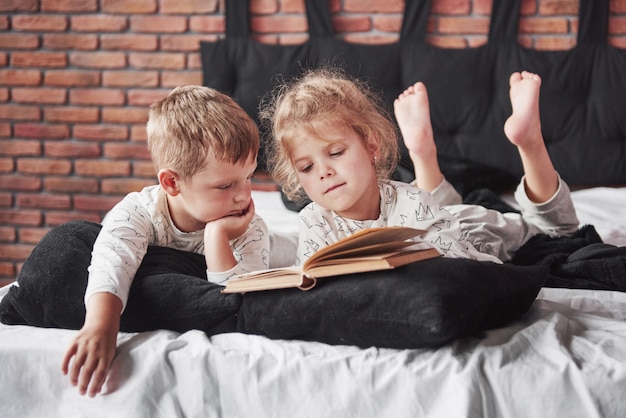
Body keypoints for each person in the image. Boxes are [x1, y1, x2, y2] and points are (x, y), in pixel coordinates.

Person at [61, 85, 270, 397]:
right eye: (225, 185)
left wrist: (217, 237)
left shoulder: (249, 226)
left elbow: (238, 306)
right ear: (172, 182)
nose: (243, 195)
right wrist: (101, 326)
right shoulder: (139, 212)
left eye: (249, 177)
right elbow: (113, 259)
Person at [261, 68, 579, 266]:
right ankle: (423, 153)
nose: (323, 171)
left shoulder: (412, 201)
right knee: (441, 204)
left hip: (474, 234)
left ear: (372, 147)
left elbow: (464, 266)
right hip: (439, 217)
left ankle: (530, 141)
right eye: (305, 167)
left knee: (557, 232)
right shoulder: (313, 222)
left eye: (336, 152)